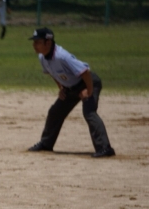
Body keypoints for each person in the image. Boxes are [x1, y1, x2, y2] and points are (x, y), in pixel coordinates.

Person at [27, 28, 115, 158]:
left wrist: (89, 91)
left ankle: (105, 148)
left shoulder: (62, 56)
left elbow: (85, 72)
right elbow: (53, 73)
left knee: (89, 112)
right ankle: (46, 144)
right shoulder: (42, 57)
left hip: (88, 83)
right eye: (34, 42)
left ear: (48, 43)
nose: (34, 45)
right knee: (55, 111)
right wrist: (61, 88)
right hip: (70, 88)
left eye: (38, 42)